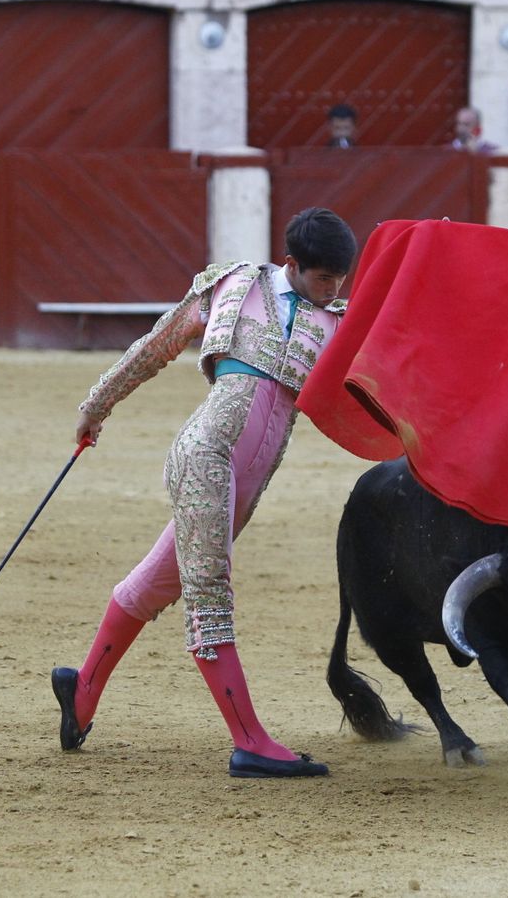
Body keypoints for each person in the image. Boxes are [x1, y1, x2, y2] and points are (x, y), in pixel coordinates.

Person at [53, 207, 358, 779]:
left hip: (241, 485)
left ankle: (81, 692)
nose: (333, 289)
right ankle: (250, 741)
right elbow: (155, 346)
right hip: (205, 459)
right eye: (324, 279)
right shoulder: (234, 285)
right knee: (210, 597)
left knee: (152, 584)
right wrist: (96, 406)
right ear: (292, 264)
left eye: (341, 279)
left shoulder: (338, 321)